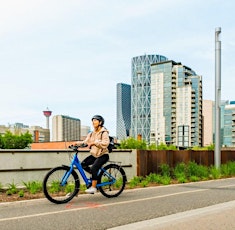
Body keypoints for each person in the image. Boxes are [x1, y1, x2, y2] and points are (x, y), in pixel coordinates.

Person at [74, 115, 110, 194]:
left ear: (100, 122)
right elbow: (86, 142)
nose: (93, 122)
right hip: (94, 154)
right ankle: (95, 177)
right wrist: (77, 143)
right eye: (93, 121)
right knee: (83, 164)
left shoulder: (104, 132)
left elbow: (105, 143)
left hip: (103, 155)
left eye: (95, 120)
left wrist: (94, 143)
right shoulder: (91, 133)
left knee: (94, 168)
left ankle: (94, 187)